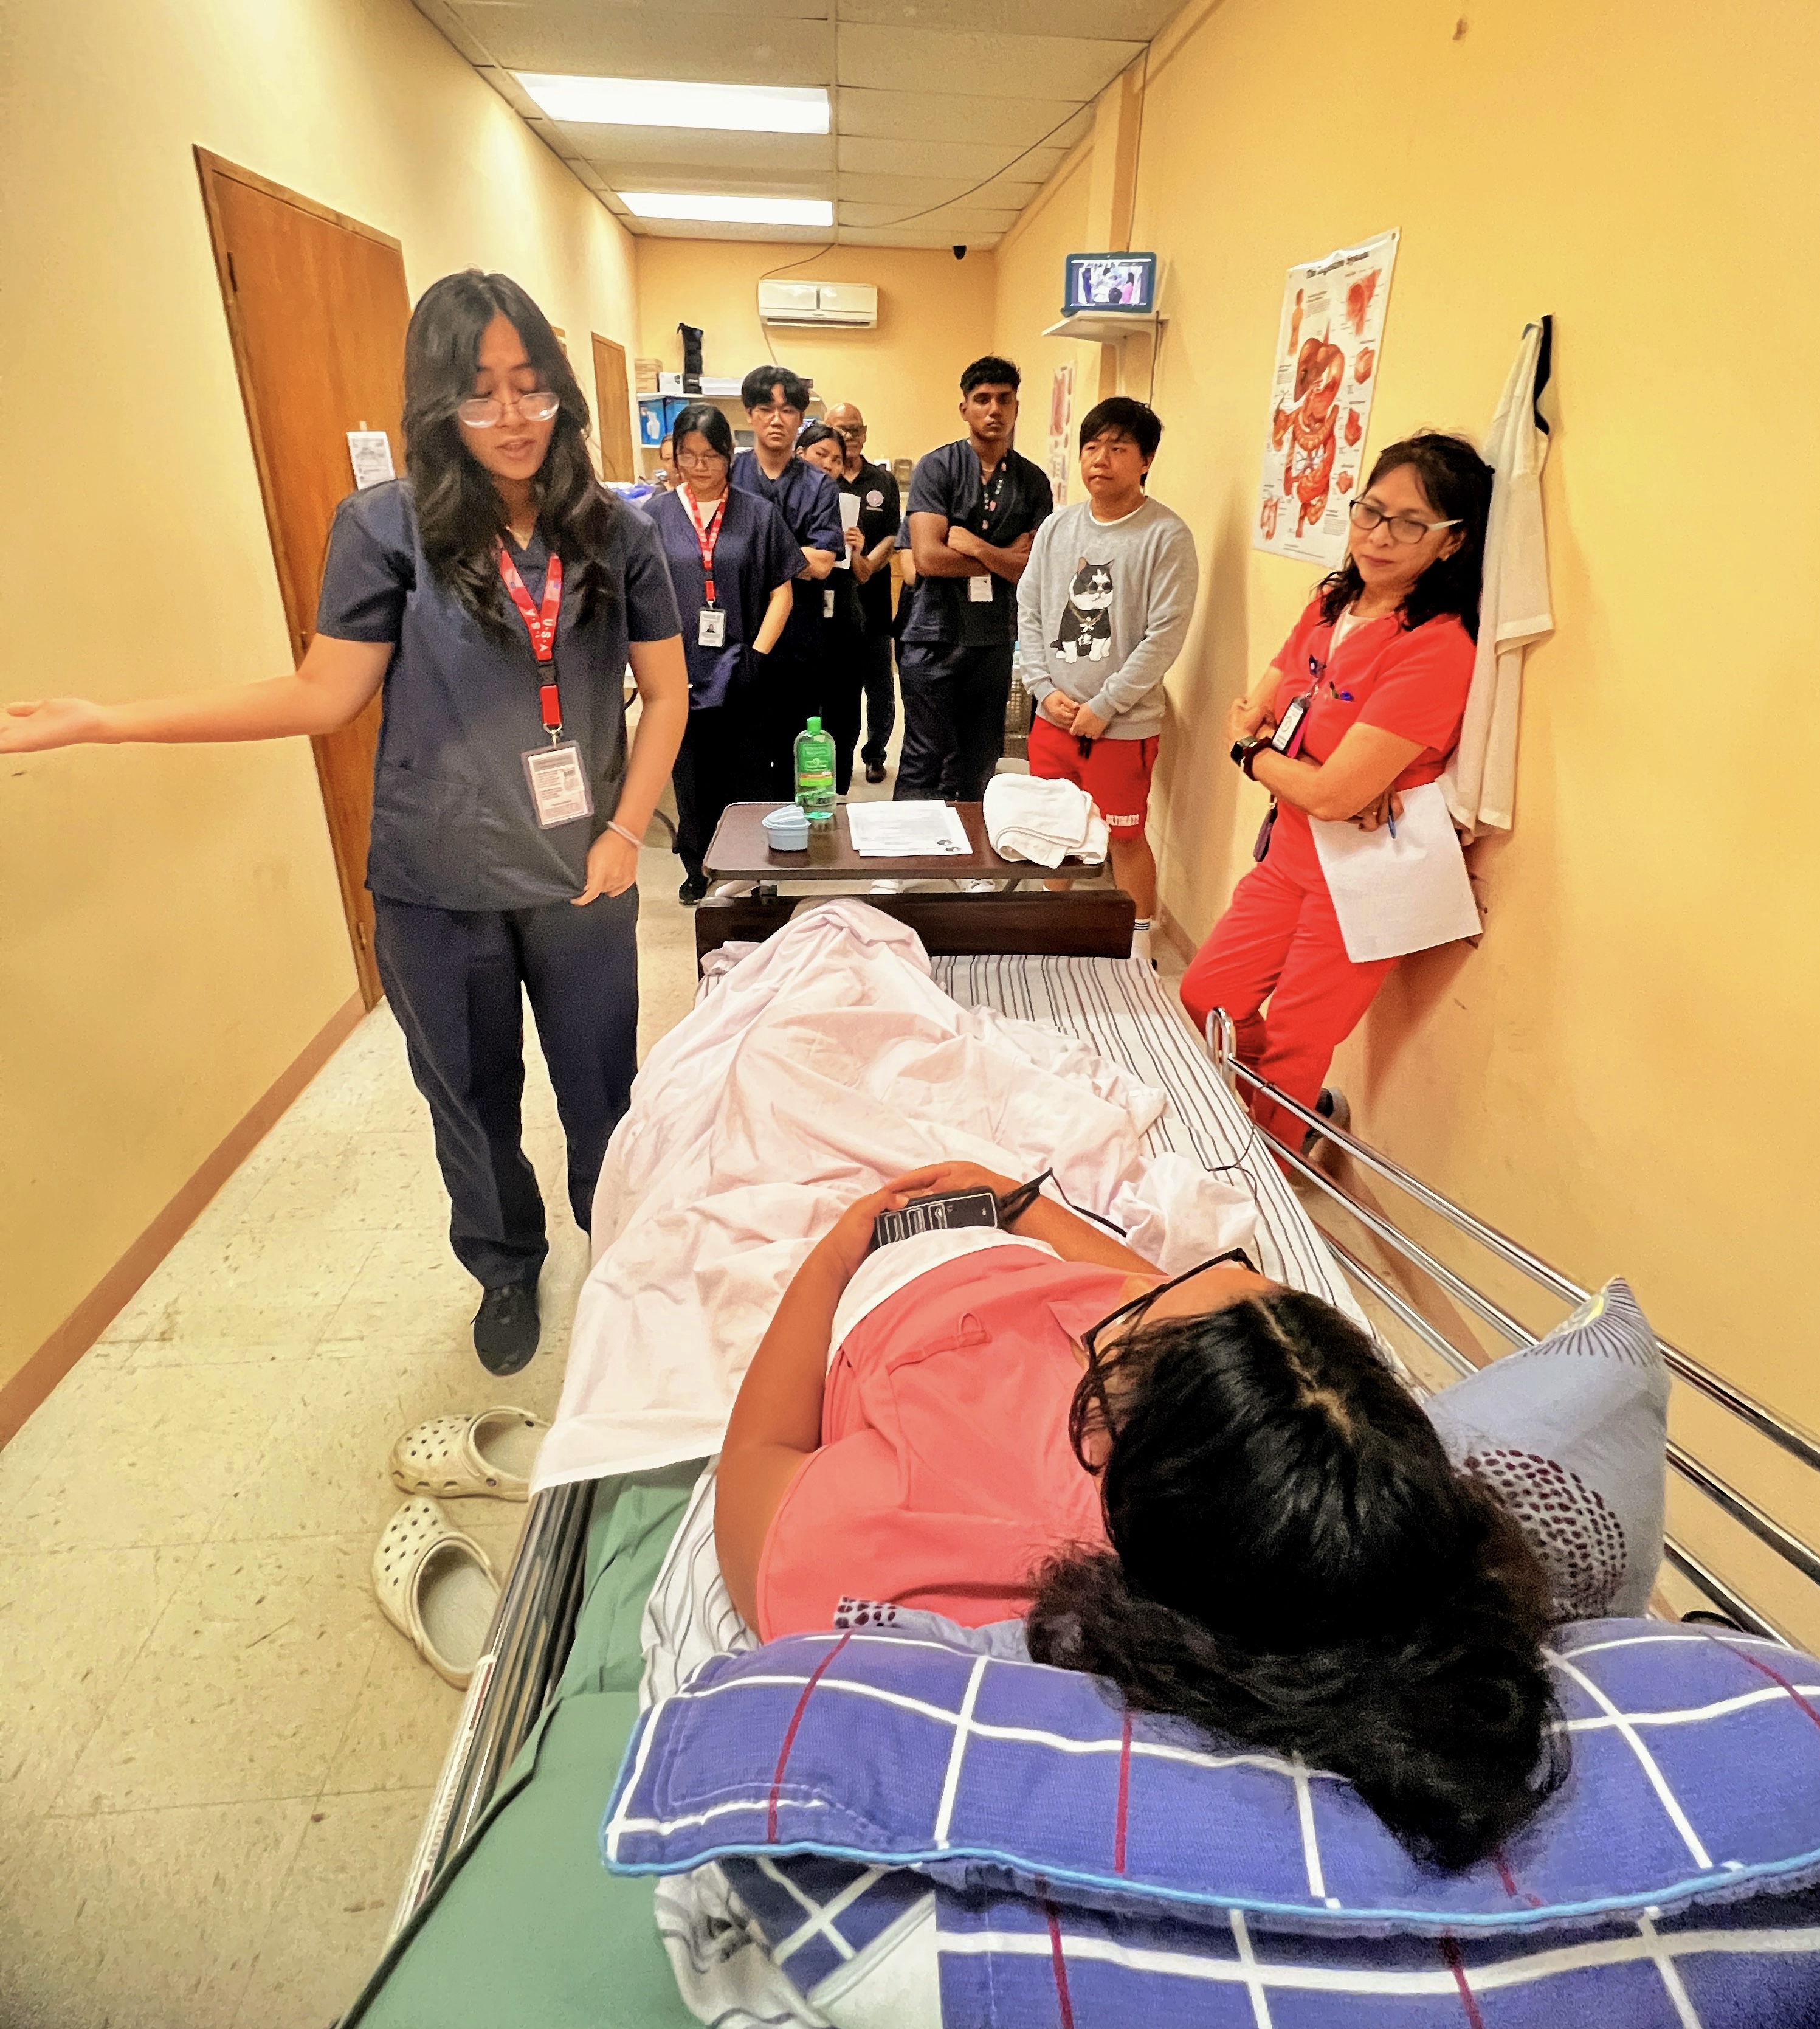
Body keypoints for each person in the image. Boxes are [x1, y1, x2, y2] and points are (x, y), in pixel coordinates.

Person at [0, 270, 689, 1377]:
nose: (511, 416)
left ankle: (621, 1251)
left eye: (530, 386)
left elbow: (666, 692)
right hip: (436, 882)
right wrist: (108, 721)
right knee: (468, 1100)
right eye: (479, 392)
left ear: (561, 389)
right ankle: (505, 1267)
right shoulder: (386, 528)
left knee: (604, 1086)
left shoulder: (617, 530)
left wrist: (622, 830)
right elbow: (321, 695)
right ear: (437, 404)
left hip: (583, 878)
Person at [715, 1159, 1564, 1872]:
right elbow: (1185, 1305)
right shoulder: (1308, 1516)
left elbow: (755, 1457)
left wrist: (833, 1255)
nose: (1139, 1285)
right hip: (1004, 1231)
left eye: (1120, 1334)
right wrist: (1024, 1204)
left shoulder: (902, 1534)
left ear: (1103, 1437)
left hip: (898, 1278)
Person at [1179, 433, 1493, 1153]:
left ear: (1452, 541)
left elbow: (1322, 789)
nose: (1379, 536)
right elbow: (1252, 710)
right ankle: (1294, 1111)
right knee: (1207, 993)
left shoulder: (1438, 645)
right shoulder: (1331, 604)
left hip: (1365, 872)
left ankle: (1275, 1171)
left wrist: (1260, 755)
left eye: (1410, 524)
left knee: (1297, 1040)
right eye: (1371, 511)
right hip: (1290, 851)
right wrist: (1294, 764)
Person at [1018, 397, 1198, 967]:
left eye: (1118, 448)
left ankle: (1138, 942)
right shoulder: (1057, 527)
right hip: (1053, 716)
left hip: (1122, 726)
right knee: (1055, 830)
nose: (1101, 459)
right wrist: (1044, 690)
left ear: (1146, 460)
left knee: (1124, 836)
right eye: (1092, 446)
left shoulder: (1166, 535)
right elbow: (1030, 611)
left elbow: (1164, 636)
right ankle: (1053, 929)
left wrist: (1106, 705)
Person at [648, 403, 802, 904]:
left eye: (710, 456)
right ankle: (698, 864)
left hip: (742, 665)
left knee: (749, 770)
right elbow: (640, 594)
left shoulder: (758, 514)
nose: (699, 466)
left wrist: (757, 654)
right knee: (691, 774)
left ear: (729, 455)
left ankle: (754, 866)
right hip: (678, 668)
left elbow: (783, 592)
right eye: (688, 455)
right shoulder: (654, 516)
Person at [899, 356, 1053, 803]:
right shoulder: (938, 468)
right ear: (964, 408)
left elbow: (1034, 570)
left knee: (979, 759)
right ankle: (906, 846)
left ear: (1017, 407)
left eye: (1004, 399)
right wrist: (1005, 558)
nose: (994, 410)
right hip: (934, 635)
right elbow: (928, 558)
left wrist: (976, 547)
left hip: (994, 638)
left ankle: (970, 846)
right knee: (924, 756)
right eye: (983, 399)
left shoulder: (1032, 481)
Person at [730, 367, 841, 798]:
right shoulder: (729, 475)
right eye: (766, 408)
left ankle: (794, 833)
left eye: (788, 410)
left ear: (800, 419)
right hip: (738, 634)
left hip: (800, 640)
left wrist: (750, 557)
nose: (777, 419)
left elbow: (824, 563)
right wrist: (794, 557)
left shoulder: (818, 486)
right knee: (742, 753)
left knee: (795, 752)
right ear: (750, 415)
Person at [826, 403, 903, 783]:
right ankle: (834, 757)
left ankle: (876, 754)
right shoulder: (821, 479)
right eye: (841, 430)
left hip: (874, 600)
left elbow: (893, 534)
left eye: (855, 429)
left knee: (880, 686)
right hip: (833, 602)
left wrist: (868, 563)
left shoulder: (883, 481)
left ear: (866, 433)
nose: (849, 436)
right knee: (839, 687)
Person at [795, 420, 867, 795]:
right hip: (800, 618)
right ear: (800, 454)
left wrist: (856, 549)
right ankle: (802, 783)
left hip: (844, 615)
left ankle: (838, 788)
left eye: (836, 459)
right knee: (804, 707)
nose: (828, 465)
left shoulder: (848, 506)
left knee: (845, 706)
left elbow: (863, 574)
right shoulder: (788, 500)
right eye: (820, 454)